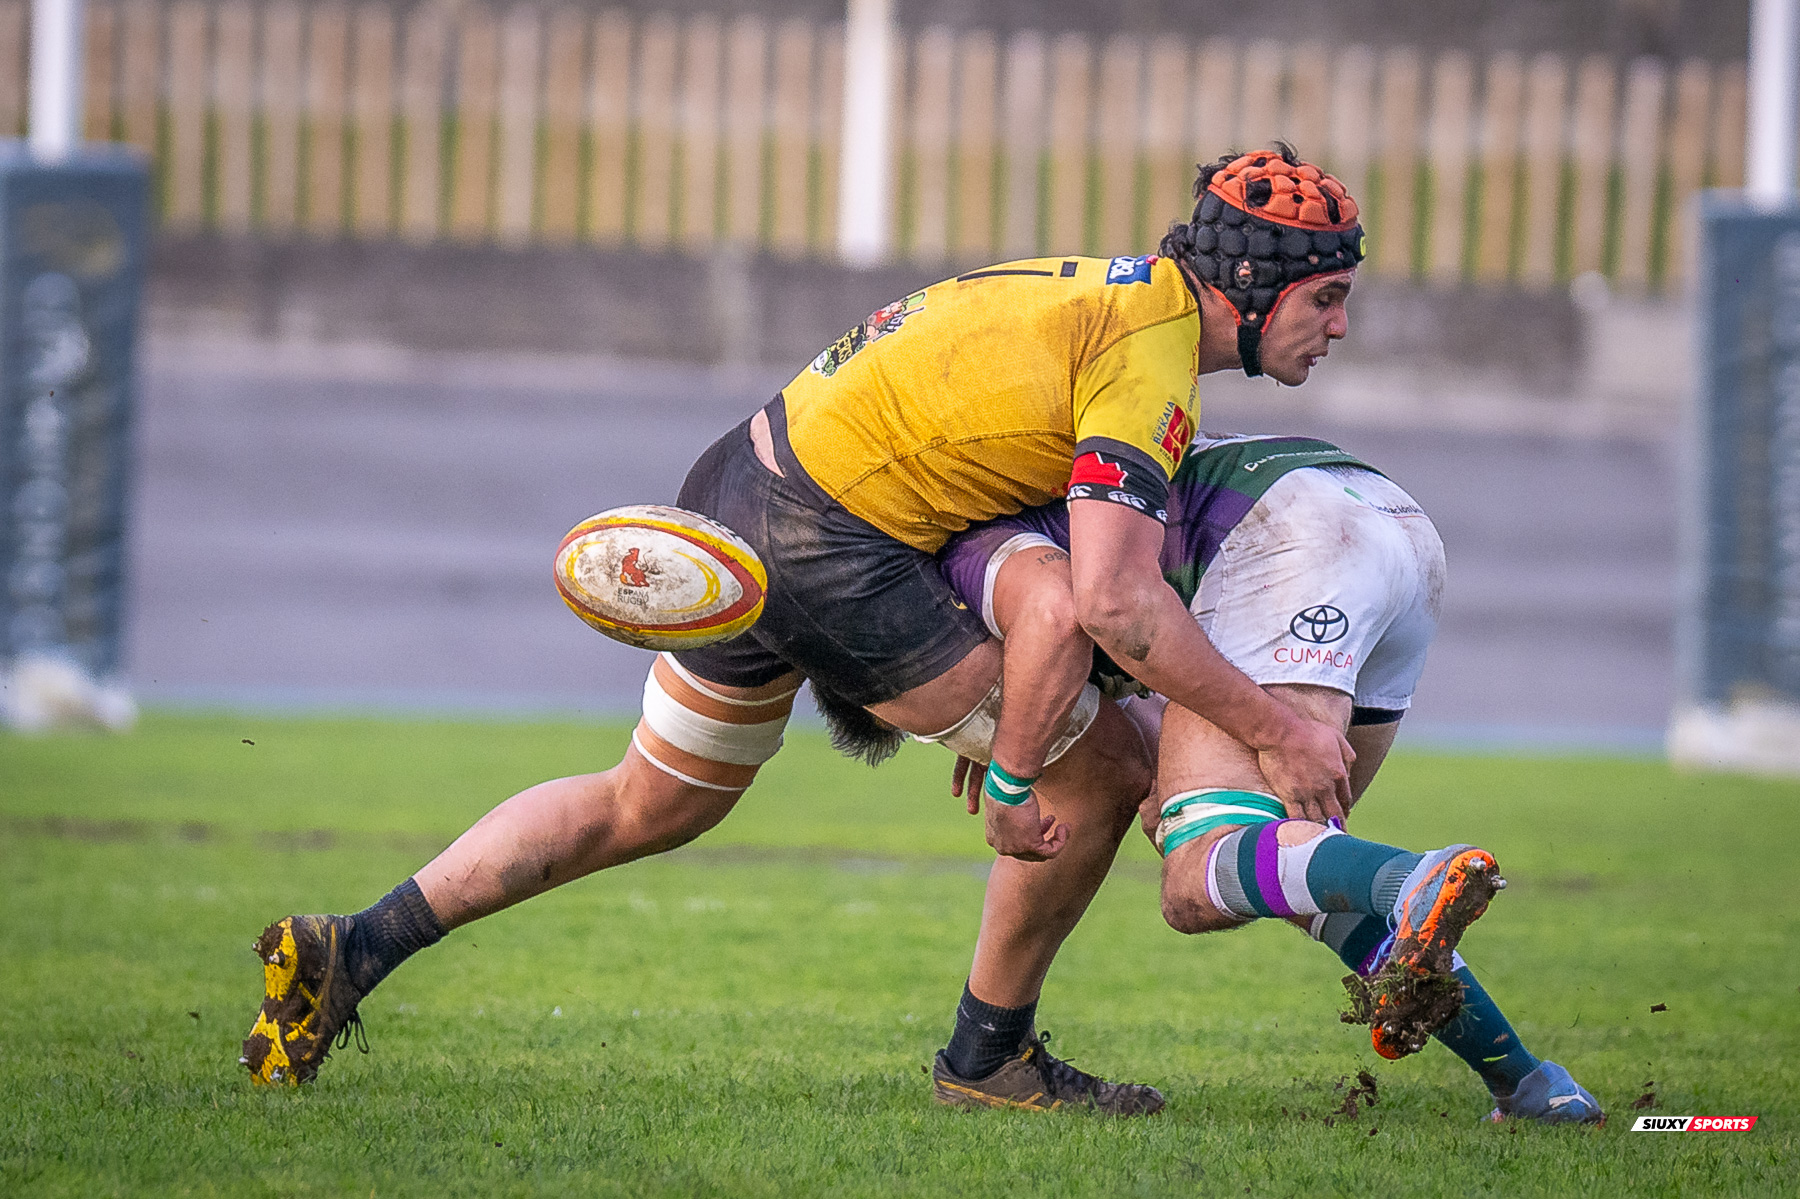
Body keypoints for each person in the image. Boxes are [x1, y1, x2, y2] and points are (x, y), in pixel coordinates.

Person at [241, 145, 1365, 1114]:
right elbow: (1111, 602)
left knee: (651, 798)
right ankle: (990, 1056)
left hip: (739, 481)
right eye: (1325, 298)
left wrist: (1019, 704)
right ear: (1253, 287)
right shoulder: (1150, 354)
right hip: (832, 547)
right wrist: (1270, 732)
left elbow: (993, 501)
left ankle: (358, 944)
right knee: (1107, 770)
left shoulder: (1106, 288)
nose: (1340, 327)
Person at [929, 432, 1606, 1124]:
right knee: (1302, 867)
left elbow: (1065, 617)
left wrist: (1005, 744)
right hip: (1387, 524)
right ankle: (1529, 1086)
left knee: (1196, 876)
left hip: (1291, 539)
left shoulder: (963, 555)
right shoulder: (1036, 493)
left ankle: (1413, 879)